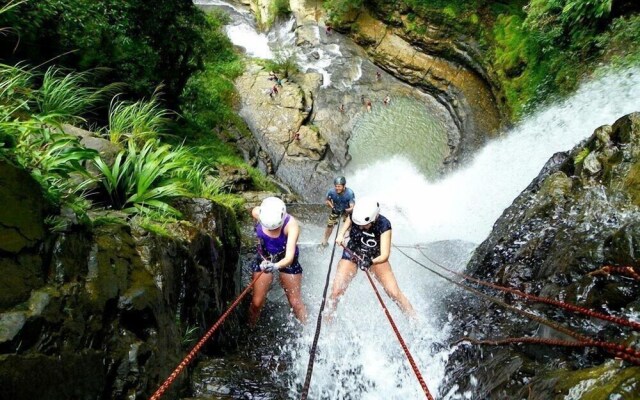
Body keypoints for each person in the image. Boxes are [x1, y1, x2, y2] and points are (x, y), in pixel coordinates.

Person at [326, 198, 416, 319]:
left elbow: (384, 255)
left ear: (374, 219)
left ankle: (415, 321)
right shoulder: (357, 214)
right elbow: (350, 219)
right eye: (359, 225)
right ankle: (327, 323)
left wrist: (370, 262)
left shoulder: (384, 224)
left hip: (375, 256)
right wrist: (341, 234)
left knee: (394, 292)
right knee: (336, 292)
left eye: (365, 225)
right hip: (353, 252)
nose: (361, 228)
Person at [249, 197, 307, 325]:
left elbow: (289, 257)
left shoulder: (291, 225)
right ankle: (251, 326)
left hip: (285, 259)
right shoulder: (258, 212)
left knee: (295, 302)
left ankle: (308, 331)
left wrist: (275, 266)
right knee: (256, 302)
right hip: (264, 257)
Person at [321, 176, 355, 246]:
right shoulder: (331, 192)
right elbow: (327, 200)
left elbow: (352, 206)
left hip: (346, 211)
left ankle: (348, 241)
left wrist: (346, 210)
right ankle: (325, 241)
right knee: (330, 225)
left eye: (339, 186)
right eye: (336, 186)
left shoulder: (350, 193)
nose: (337, 188)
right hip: (336, 209)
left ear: (344, 186)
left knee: (349, 226)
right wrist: (333, 207)